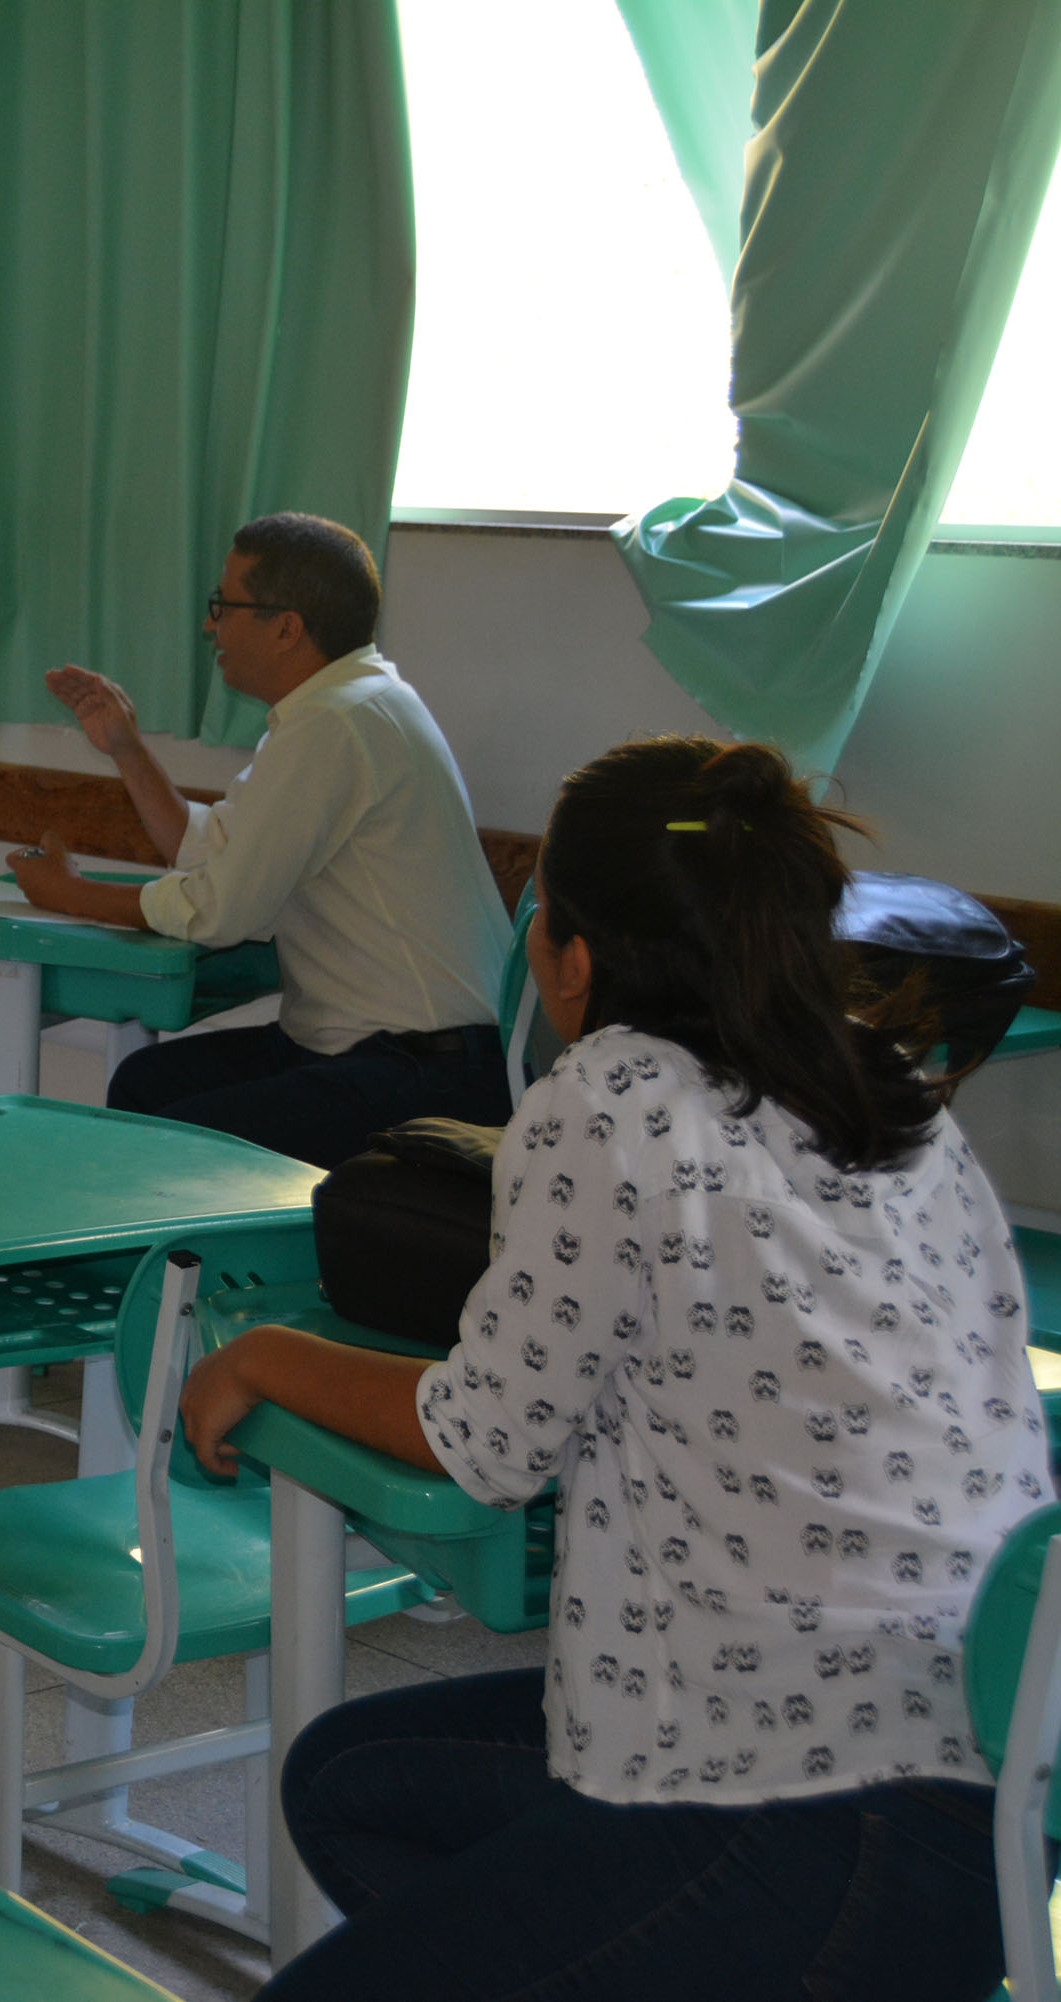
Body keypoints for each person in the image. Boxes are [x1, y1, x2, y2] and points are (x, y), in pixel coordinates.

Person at [176, 737, 1039, 2000]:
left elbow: (486, 1444)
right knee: (353, 1782)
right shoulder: (887, 1090)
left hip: (790, 1813)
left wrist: (266, 1354)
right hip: (991, 1793)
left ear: (573, 961)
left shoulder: (606, 1096)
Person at [8, 512, 512, 1168]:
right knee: (145, 1086)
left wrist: (68, 895)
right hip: (383, 1050)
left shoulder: (334, 723)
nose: (209, 625)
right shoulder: (349, 702)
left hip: (425, 1070)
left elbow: (220, 909)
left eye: (224, 606)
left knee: (161, 1150)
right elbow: (215, 850)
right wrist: (125, 748)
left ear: (286, 627)